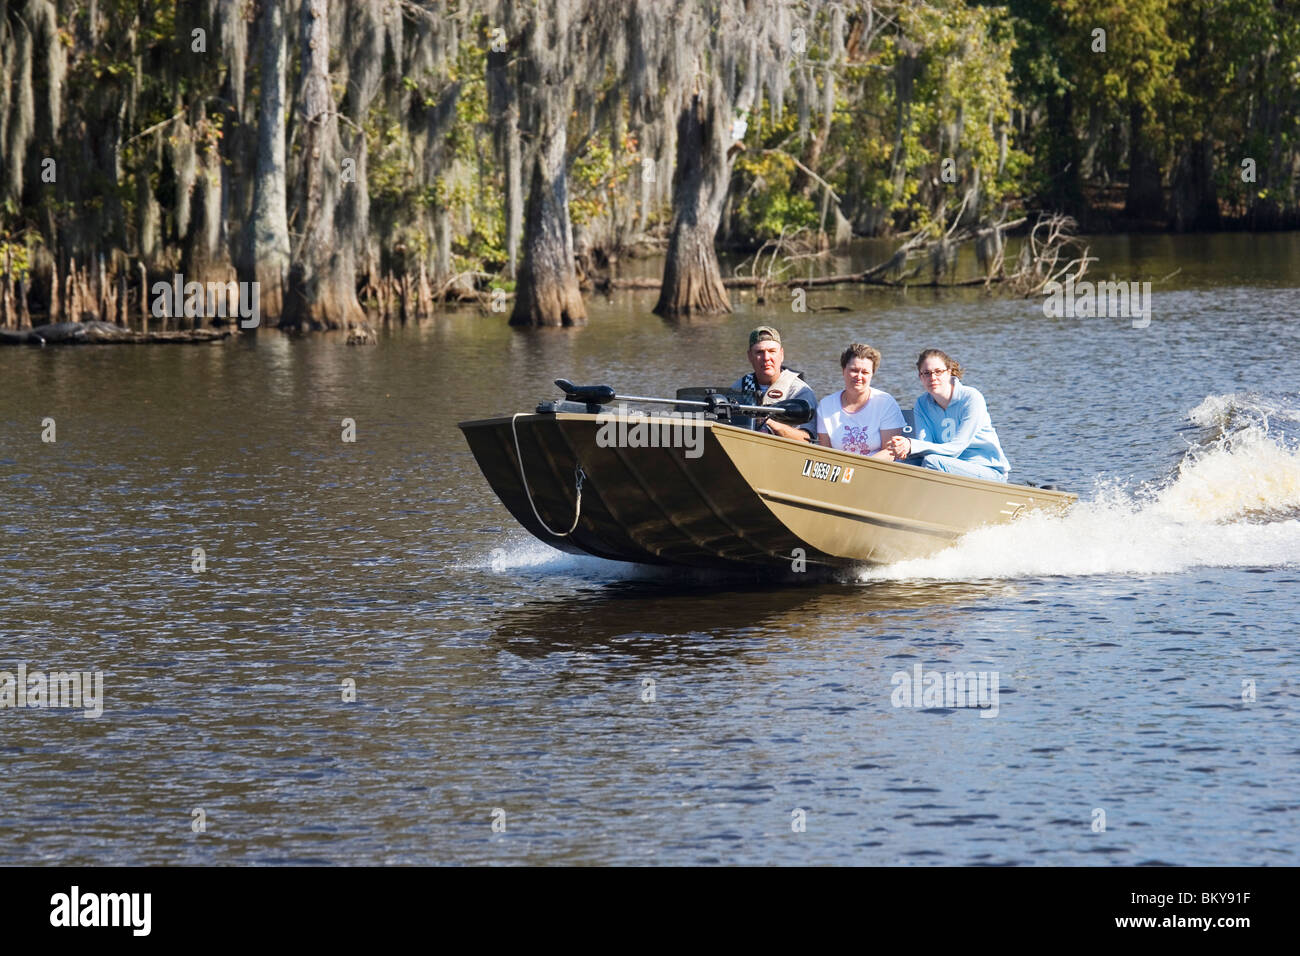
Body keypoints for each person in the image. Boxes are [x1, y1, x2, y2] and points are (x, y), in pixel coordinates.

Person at [885, 349, 1010, 481]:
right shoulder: (921, 403)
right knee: (904, 464)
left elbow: (956, 448)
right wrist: (903, 449)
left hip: (988, 471)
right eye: (926, 373)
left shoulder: (971, 398)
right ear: (920, 377)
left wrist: (911, 445)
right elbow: (924, 446)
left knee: (932, 462)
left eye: (938, 371)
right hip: (946, 466)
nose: (932, 378)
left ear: (949, 372)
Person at [816, 343, 905, 459]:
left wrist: (857, 470)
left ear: (872, 374)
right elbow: (825, 453)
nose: (859, 376)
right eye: (854, 370)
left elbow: (890, 452)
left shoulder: (886, 403)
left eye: (865, 372)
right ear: (843, 370)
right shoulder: (826, 405)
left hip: (877, 469)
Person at [731, 326, 817, 442]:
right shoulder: (738, 388)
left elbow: (807, 439)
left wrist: (769, 422)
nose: (766, 358)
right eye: (759, 352)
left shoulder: (800, 391)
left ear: (781, 354)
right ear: (750, 356)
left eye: (772, 351)